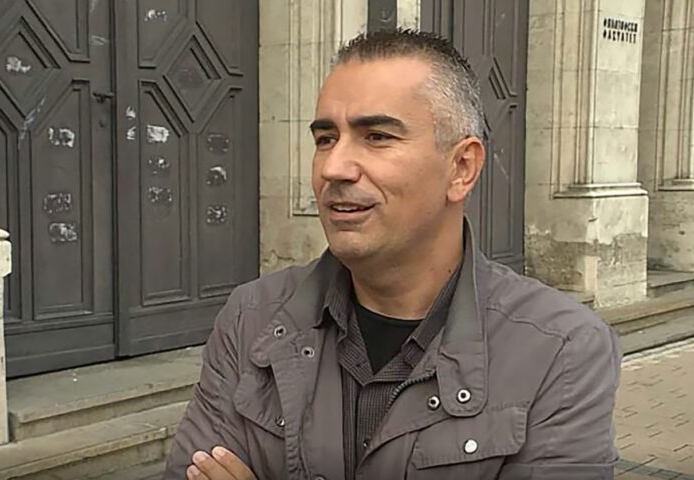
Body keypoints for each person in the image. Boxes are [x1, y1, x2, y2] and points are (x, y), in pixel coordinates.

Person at [163, 29, 621, 480]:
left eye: (377, 136)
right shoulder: (251, 319)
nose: (334, 168)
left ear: (462, 168)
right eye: (325, 139)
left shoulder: (559, 349)